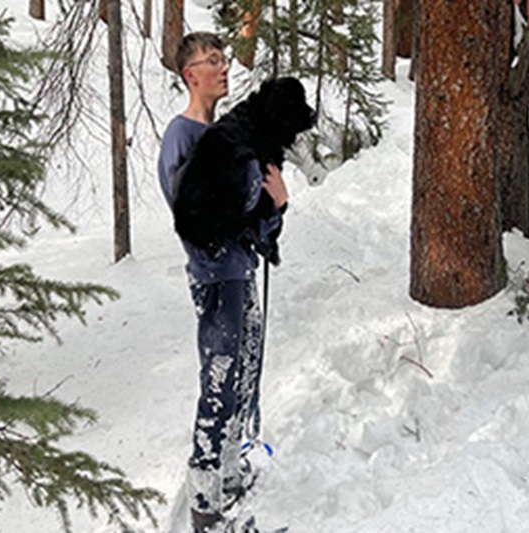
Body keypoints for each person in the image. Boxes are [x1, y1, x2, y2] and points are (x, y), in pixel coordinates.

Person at [157, 32, 288, 533]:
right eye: (212, 61)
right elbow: (192, 217)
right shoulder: (182, 136)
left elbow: (256, 216)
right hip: (215, 280)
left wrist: (276, 206)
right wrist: (243, 223)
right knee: (219, 385)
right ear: (191, 75)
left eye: (223, 58)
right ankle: (206, 511)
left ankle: (229, 476)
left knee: (242, 379)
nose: (223, 67)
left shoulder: (231, 136)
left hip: (240, 272)